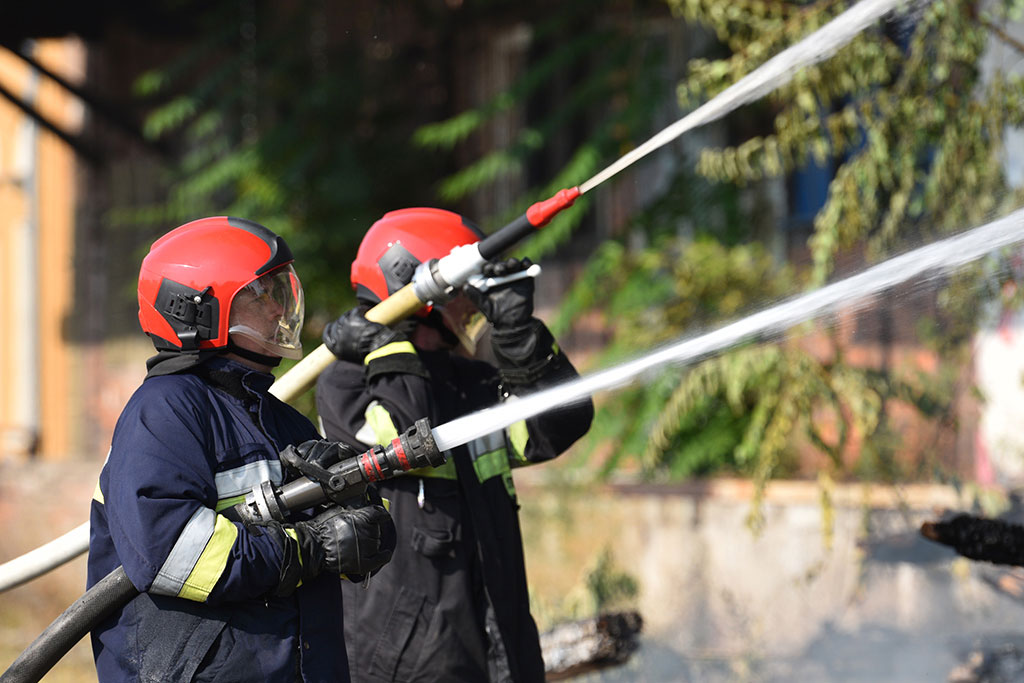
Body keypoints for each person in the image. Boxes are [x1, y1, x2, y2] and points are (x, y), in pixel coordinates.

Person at [88, 216, 396, 683]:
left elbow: (350, 536)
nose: (278, 310)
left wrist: (362, 514)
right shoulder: (164, 414)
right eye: (261, 294)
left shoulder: (280, 419)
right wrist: (307, 550)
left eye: (278, 292)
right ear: (199, 311)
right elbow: (172, 553)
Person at [316, 207, 595, 682]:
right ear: (419, 290)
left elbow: (559, 426)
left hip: (500, 648)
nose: (473, 304)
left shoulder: (474, 381)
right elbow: (409, 430)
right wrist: (388, 345)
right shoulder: (346, 384)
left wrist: (519, 337)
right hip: (409, 662)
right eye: (464, 290)